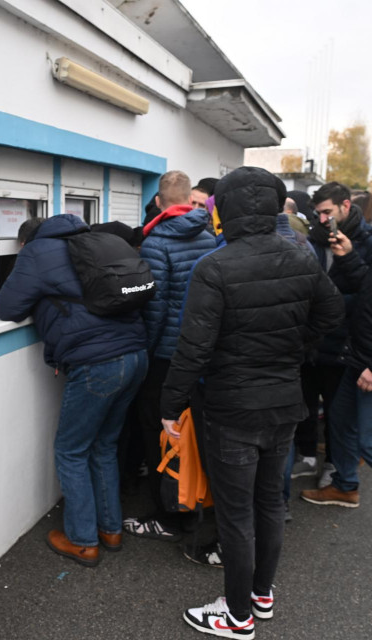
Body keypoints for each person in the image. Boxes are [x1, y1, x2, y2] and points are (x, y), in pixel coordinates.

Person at [160, 167, 343, 639]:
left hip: (233, 408)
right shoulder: (301, 255)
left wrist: (169, 405)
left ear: (227, 210)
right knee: (268, 504)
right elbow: (331, 310)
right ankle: (261, 594)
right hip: (284, 401)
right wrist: (296, 347)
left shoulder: (215, 266)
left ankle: (237, 615)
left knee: (236, 513)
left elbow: (193, 347)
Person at [0, 214, 148, 567]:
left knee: (71, 451)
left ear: (22, 243)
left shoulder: (36, 252)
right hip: (136, 355)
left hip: (99, 364)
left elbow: (7, 308)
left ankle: (82, 540)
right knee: (104, 446)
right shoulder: (98, 242)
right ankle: (110, 529)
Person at [123, 170, 216, 542]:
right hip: (201, 353)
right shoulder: (210, 236)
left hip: (165, 357)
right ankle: (194, 503)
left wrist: (145, 355)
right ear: (189, 200)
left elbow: (155, 309)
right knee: (192, 433)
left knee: (159, 434)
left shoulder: (156, 242)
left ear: (159, 202)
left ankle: (168, 515)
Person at [294, 182, 372, 487]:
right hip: (313, 341)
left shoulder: (365, 241)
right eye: (318, 213)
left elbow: (365, 294)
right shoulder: (312, 240)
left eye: (327, 212)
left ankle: (337, 469)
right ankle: (312, 457)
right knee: (314, 407)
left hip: (346, 345)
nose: (322, 219)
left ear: (345, 207)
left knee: (353, 427)